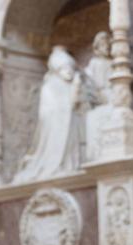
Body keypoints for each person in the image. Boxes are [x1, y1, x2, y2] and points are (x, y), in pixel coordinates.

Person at [13, 46, 83, 183]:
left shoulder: (69, 85)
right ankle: (56, 165)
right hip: (54, 132)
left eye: (71, 69)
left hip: (70, 129)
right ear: (57, 70)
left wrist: (76, 87)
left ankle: (69, 164)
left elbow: (74, 105)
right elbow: (49, 114)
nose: (69, 72)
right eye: (65, 68)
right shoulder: (50, 86)